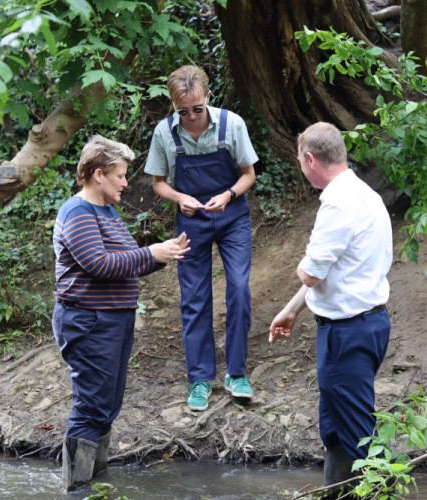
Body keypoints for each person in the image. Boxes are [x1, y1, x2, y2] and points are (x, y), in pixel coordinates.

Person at [52, 135, 190, 491]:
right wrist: (151, 253)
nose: (127, 183)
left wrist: (163, 255)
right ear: (98, 174)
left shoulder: (107, 212)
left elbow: (124, 264)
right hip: (87, 321)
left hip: (113, 320)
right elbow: (98, 264)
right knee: (91, 407)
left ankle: (93, 487)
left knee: (106, 406)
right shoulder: (77, 211)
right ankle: (77, 490)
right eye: (121, 175)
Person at [269, 122, 393, 492]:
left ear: (310, 159)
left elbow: (310, 272)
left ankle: (384, 492)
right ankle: (334, 493)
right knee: (336, 429)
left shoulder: (339, 203)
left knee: (359, 436)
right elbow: (330, 274)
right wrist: (292, 309)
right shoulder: (363, 193)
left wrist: (301, 269)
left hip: (348, 333)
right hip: (363, 324)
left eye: (299, 161)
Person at [144, 65, 258, 411]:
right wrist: (179, 198)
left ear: (208, 97)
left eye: (197, 108)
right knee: (194, 299)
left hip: (232, 218)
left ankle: (236, 374)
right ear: (172, 104)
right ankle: (199, 380)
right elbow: (158, 182)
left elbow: (248, 175)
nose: (191, 117)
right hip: (191, 222)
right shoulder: (164, 133)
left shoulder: (231, 124)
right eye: (183, 111)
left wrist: (229, 196)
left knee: (238, 288)